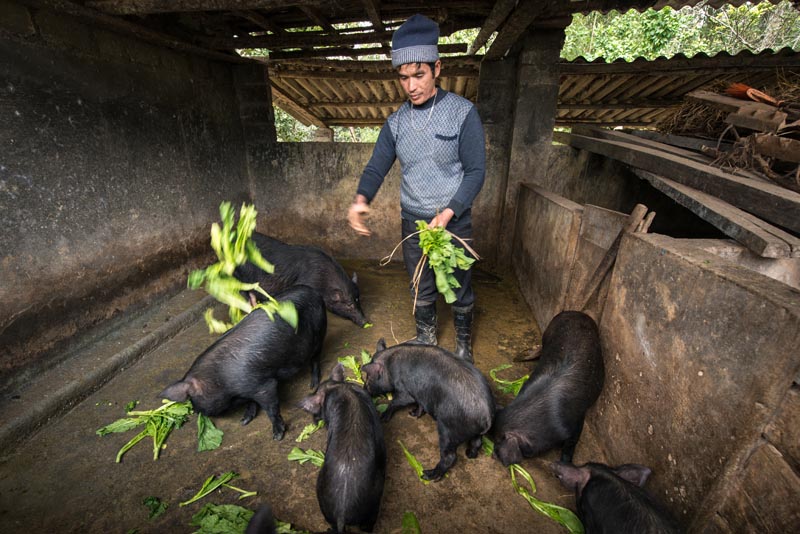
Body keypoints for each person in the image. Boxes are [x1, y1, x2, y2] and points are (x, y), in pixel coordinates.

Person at [347, 13, 486, 363]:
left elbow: (476, 172)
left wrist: (449, 212)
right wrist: (362, 199)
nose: (412, 86)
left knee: (458, 286)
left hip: (454, 222)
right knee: (420, 284)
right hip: (414, 224)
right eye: (404, 78)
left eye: (419, 75)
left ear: (437, 69)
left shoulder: (462, 113)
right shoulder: (395, 123)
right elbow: (377, 165)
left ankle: (464, 347)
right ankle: (426, 338)